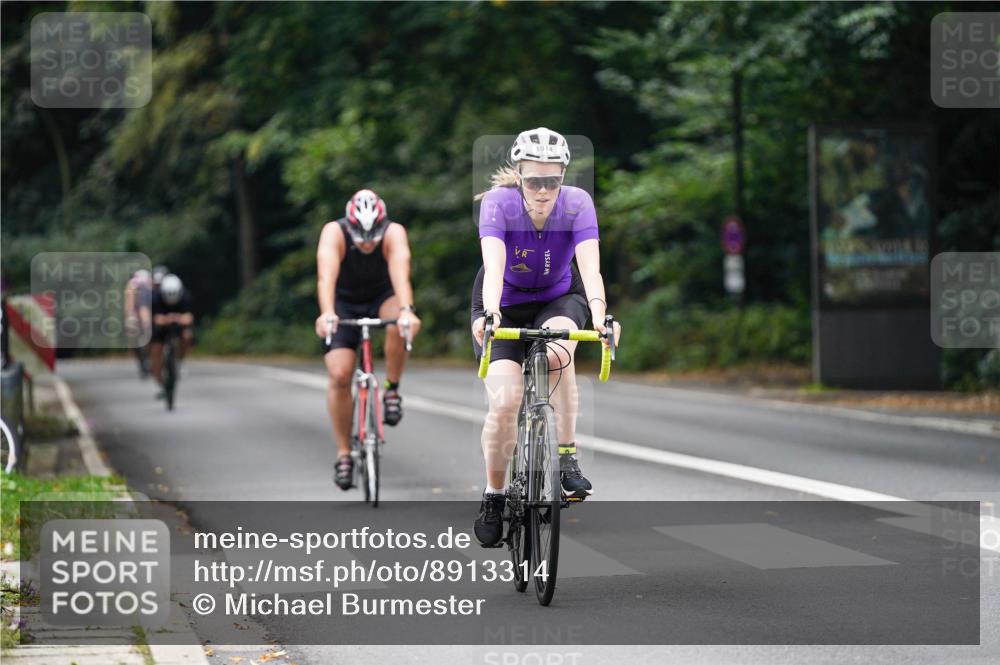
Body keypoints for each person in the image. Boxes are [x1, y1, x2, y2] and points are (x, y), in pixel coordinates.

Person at [470, 127, 621, 547]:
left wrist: (601, 317)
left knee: (558, 352)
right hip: (503, 301)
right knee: (505, 402)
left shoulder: (577, 204)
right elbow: (493, 267)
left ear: (563, 177)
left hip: (559, 297)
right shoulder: (499, 204)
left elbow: (591, 269)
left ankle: (566, 456)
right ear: (519, 176)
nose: (543, 191)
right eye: (534, 181)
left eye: (552, 181)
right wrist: (491, 313)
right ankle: (494, 495)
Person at [315, 189, 422, 490]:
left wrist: (407, 311)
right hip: (343, 302)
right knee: (340, 375)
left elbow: (401, 275)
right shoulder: (334, 232)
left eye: (372, 238)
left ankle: (391, 389)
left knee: (399, 324)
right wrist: (326, 313)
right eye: (360, 238)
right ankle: (344, 452)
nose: (366, 244)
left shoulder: (393, 232)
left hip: (382, 297)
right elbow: (325, 277)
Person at [149, 274, 194, 396]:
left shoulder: (185, 296)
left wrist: (173, 318)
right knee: (155, 349)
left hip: (178, 325)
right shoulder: (155, 298)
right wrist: (172, 318)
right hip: (161, 327)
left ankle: (180, 361)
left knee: (187, 335)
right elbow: (156, 319)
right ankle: (159, 380)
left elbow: (189, 318)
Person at [124, 269, 153, 377]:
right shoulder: (132, 286)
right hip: (138, 313)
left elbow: (143, 307)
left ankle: (145, 361)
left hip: (144, 313)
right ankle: (144, 362)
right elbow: (129, 305)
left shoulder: (135, 285)